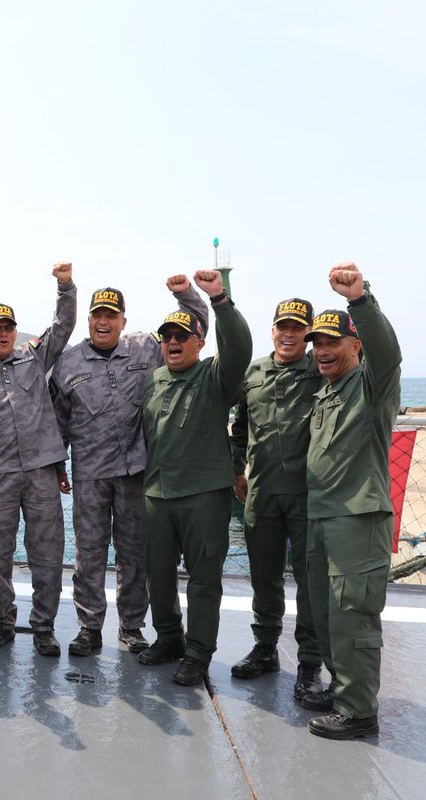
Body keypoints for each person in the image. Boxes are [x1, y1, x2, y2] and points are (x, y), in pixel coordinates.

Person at [50, 276, 207, 658]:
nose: (103, 322)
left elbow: (197, 322)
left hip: (137, 472)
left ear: (123, 320)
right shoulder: (67, 362)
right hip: (90, 474)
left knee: (134, 552)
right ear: (89, 320)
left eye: (111, 316)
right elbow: (58, 419)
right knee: (88, 552)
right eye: (97, 315)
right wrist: (58, 465)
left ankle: (131, 626)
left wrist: (184, 291)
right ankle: (89, 627)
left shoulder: (146, 348)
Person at [300, 263, 401, 740]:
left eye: (332, 342)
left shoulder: (369, 383)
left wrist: (361, 300)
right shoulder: (326, 392)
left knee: (352, 615)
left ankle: (359, 710)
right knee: (326, 614)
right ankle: (343, 689)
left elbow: (388, 353)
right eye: (316, 344)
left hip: (357, 519)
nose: (322, 350)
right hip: (323, 518)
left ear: (354, 345)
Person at [138, 270, 252, 687]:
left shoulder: (216, 377)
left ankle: (199, 653)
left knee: (204, 580)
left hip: (203, 497)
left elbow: (239, 347)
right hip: (157, 495)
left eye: (182, 336)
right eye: (167, 336)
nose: (173, 342)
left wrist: (220, 301)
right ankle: (169, 638)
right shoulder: (151, 382)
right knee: (159, 576)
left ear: (200, 343)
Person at [0, 262, 76, 656]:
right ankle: (1, 623)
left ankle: (44, 626)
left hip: (42, 472)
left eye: (9, 328)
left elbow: (62, 327)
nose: (5, 334)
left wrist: (65, 285)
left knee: (46, 552)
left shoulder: (34, 357)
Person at [228, 298, 323, 700]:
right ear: (272, 331)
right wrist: (237, 471)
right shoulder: (252, 374)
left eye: (297, 327)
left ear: (308, 334)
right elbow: (239, 426)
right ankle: (265, 649)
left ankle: (310, 662)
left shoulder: (322, 371)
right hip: (262, 493)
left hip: (307, 495)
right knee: (264, 578)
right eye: (282, 326)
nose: (288, 333)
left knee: (309, 581)